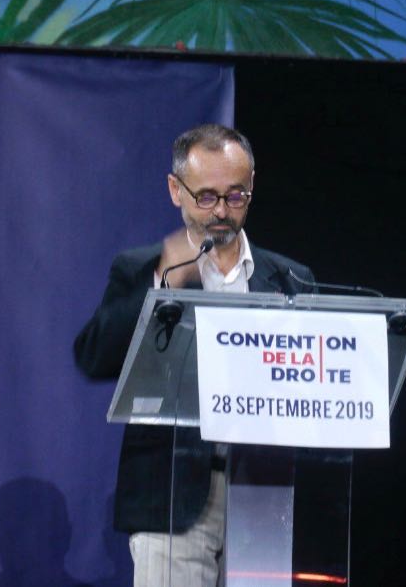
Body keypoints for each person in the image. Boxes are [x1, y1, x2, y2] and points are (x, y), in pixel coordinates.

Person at [73, 123, 314, 587]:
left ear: (252, 186)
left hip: (263, 493)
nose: (221, 210)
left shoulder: (291, 279)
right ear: (175, 190)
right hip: (173, 491)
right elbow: (94, 356)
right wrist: (161, 280)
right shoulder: (142, 269)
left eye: (235, 195)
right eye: (205, 197)